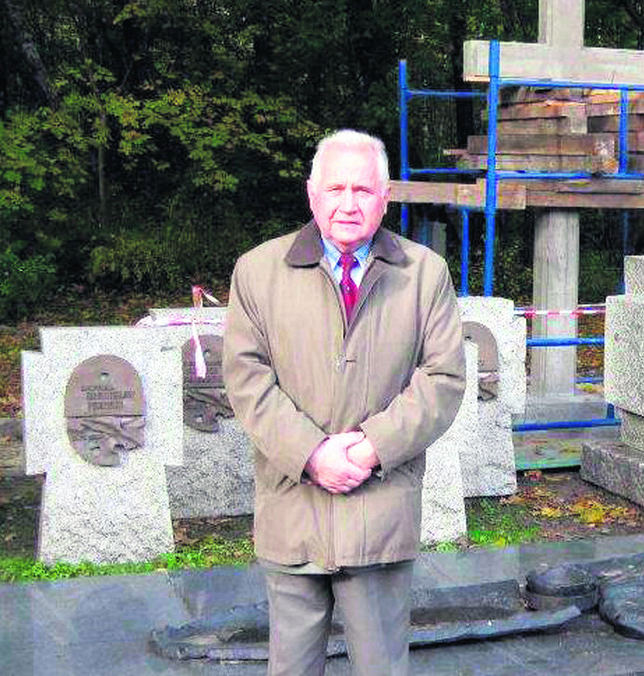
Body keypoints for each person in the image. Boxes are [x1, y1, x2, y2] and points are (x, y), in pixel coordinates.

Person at [222, 129, 465, 676]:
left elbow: (444, 377)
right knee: (292, 666)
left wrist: (371, 447)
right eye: (336, 189)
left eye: (363, 189)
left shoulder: (425, 275)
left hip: (379, 509)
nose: (348, 204)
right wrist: (311, 453)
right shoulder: (257, 272)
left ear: (385, 197)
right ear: (313, 195)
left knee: (382, 665)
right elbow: (246, 378)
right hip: (293, 505)